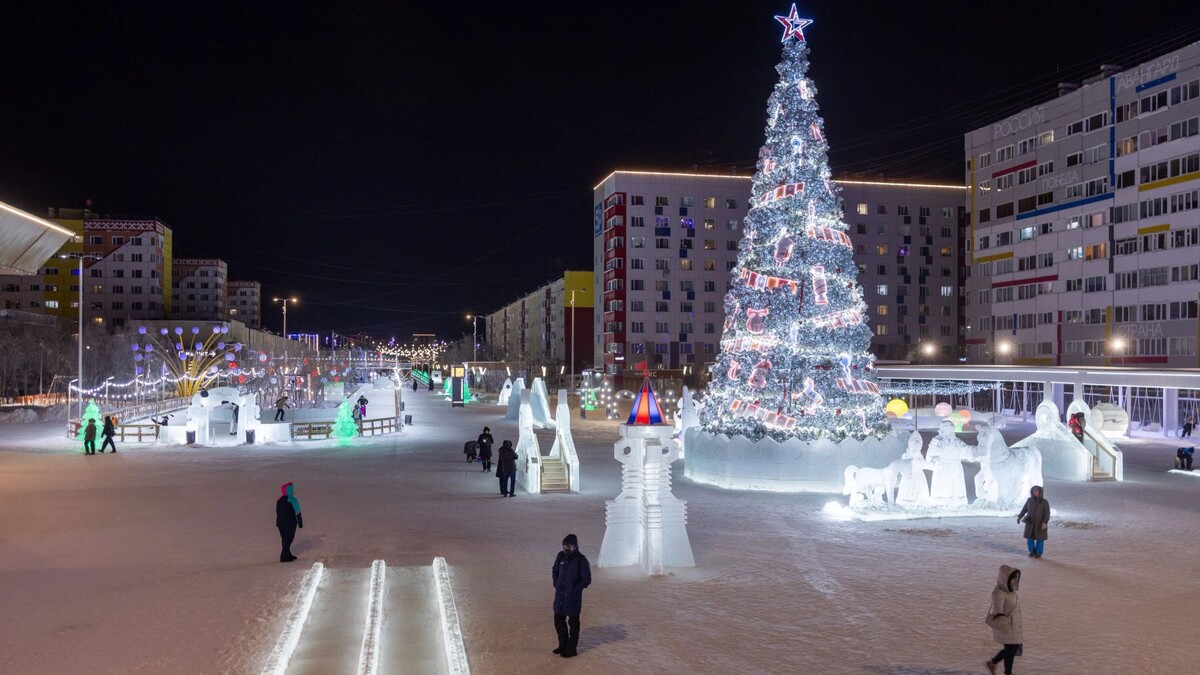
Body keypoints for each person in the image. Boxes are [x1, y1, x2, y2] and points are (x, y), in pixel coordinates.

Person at [552, 533, 592, 658]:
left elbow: (587, 579)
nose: (565, 549)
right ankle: (563, 645)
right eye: (564, 546)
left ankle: (571, 649)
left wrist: (575, 589)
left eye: (568, 547)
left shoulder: (581, 560)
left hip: (572, 598)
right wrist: (556, 583)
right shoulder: (560, 556)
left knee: (573, 624)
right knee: (559, 621)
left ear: (574, 546)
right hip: (560, 597)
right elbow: (555, 570)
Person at [984, 565, 1023, 675]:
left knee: (1011, 649)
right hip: (1005, 627)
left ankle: (992, 663)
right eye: (1013, 579)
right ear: (1005, 579)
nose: (1015, 581)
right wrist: (1004, 627)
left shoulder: (1009, 590)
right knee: (1011, 649)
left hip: (1013, 625)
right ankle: (1007, 672)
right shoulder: (998, 593)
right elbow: (998, 610)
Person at [1016, 485, 1050, 558]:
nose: (1035, 492)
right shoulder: (1029, 500)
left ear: (1040, 492)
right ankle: (1032, 551)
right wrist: (1019, 517)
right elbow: (1024, 509)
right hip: (1030, 523)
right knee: (1029, 538)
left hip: (1040, 524)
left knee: (1040, 539)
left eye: (1036, 491)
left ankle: (1038, 553)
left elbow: (1047, 513)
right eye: (1033, 491)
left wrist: (1044, 522)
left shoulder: (1044, 502)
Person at [276, 482, 303, 562]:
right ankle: (284, 557)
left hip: (280, 523)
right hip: (290, 523)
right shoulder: (293, 499)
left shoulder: (279, 500)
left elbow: (277, 512)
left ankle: (288, 554)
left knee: (285, 539)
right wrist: (300, 524)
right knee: (288, 539)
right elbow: (297, 512)